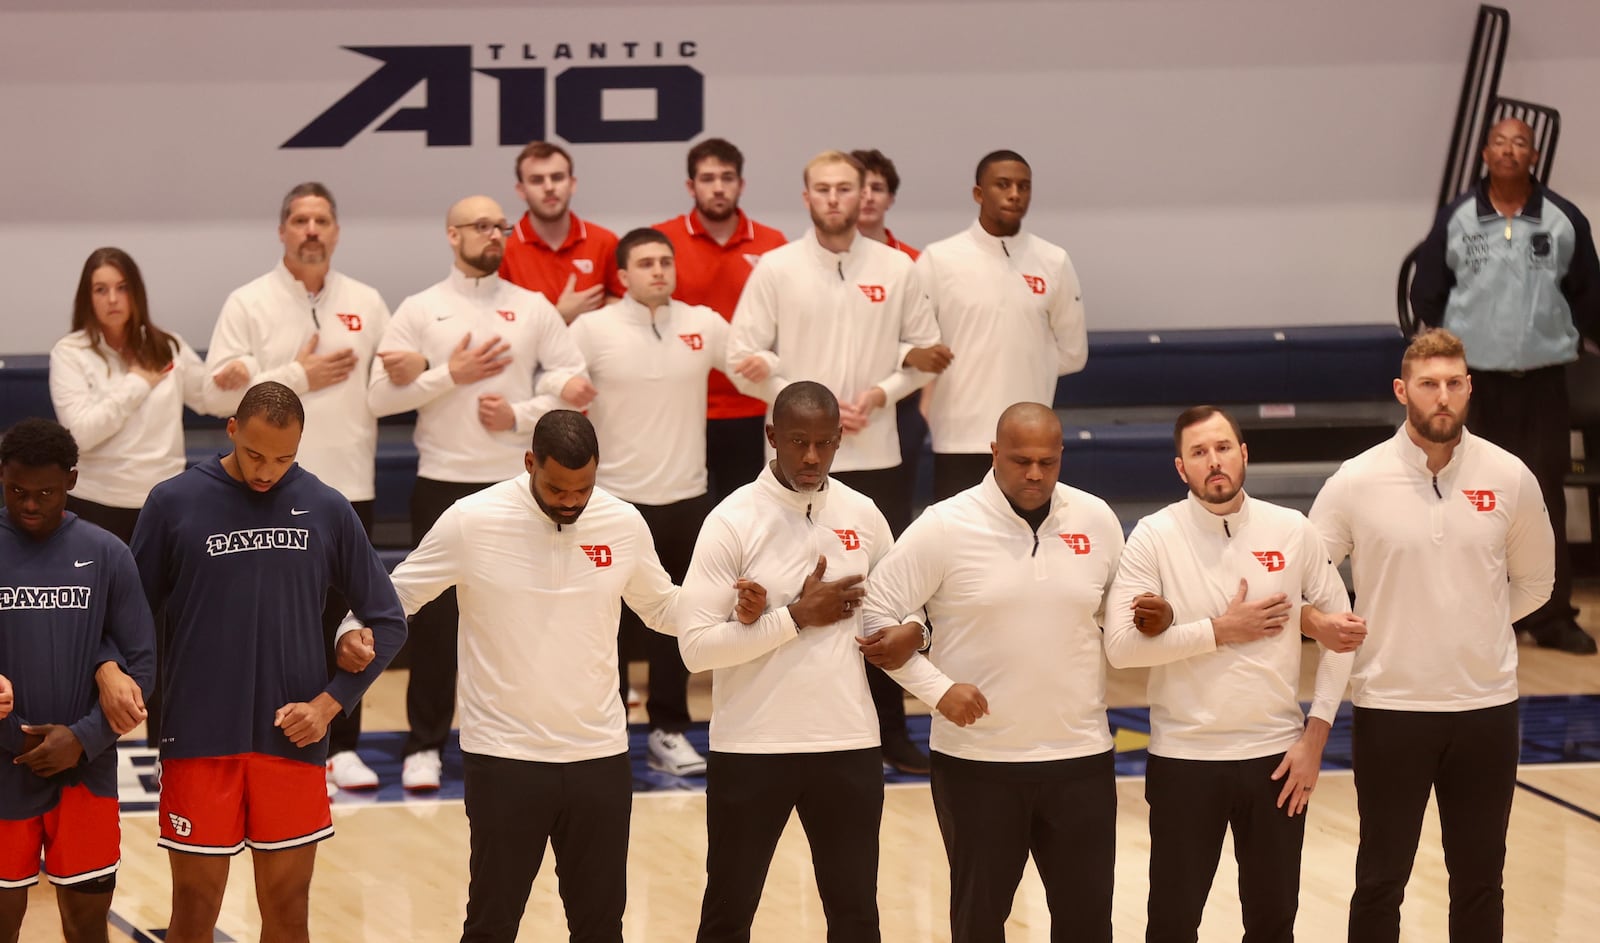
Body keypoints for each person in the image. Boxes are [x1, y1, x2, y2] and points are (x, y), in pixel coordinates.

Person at [337, 410, 766, 943]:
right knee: (492, 926)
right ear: (529, 463)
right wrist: (352, 626)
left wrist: (728, 607)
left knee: (600, 926)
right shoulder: (472, 519)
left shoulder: (622, 522)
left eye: (582, 488)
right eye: (557, 487)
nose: (570, 500)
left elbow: (661, 609)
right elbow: (399, 593)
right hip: (504, 758)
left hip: (600, 758)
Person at [129, 382, 407, 943]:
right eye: (256, 454)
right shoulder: (173, 502)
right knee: (194, 909)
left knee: (288, 911)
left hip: (292, 743)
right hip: (199, 741)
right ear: (231, 429)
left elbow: (389, 620)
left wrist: (332, 705)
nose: (266, 471)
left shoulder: (327, 507)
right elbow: (128, 614)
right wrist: (119, 678)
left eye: (284, 458)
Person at [1309, 329, 1554, 943]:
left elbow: (1536, 584)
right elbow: (1302, 579)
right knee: (1380, 880)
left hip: (1487, 709)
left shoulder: (1510, 475)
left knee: (1479, 882)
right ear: (1402, 391)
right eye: (1428, 384)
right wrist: (1318, 623)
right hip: (1391, 709)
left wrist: (1475, 625)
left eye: (1453, 383)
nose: (1442, 396)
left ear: (1469, 387)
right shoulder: (1355, 481)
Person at [860, 403, 1124, 942]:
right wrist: (937, 690)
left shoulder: (1097, 519)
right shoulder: (944, 525)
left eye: (1047, 462)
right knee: (979, 926)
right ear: (994, 453)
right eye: (1021, 460)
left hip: (1080, 759)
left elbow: (1118, 621)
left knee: (1089, 924)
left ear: (1061, 458)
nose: (1034, 474)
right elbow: (874, 614)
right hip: (978, 764)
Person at [725, 149, 952, 773]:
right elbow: (739, 355)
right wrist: (802, 402)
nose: (833, 198)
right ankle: (786, 720)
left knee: (880, 593)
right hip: (792, 462)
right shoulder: (775, 269)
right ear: (806, 197)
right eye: (821, 189)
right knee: (788, 585)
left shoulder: (897, 268)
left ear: (864, 195)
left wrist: (881, 396)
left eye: (844, 188)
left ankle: (888, 731)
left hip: (875, 451)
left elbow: (924, 354)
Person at [1103, 405, 1363, 943]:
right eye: (1199, 453)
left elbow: (1344, 633)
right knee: (1171, 928)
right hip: (1184, 760)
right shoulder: (1153, 536)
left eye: (1223, 448)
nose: (1213, 461)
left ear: (1244, 454)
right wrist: (1219, 630)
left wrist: (1316, 736)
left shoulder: (1292, 530)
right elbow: (1122, 649)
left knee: (1272, 928)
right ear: (1181, 469)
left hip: (1276, 760)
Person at [368, 195, 593, 792]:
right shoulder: (420, 311)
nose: (495, 234)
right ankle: (425, 745)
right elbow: (378, 399)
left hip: (518, 487)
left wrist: (519, 416)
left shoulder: (532, 307)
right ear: (452, 234)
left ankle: (518, 737)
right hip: (442, 481)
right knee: (436, 622)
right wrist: (451, 376)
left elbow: (573, 386)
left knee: (522, 618)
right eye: (481, 226)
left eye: (502, 226)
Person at [678, 381, 888, 943]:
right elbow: (694, 646)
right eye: (798, 442)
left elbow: (890, 617)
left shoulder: (864, 515)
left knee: (856, 917)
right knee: (727, 916)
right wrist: (794, 617)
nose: (812, 457)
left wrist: (915, 635)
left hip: (847, 744)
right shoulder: (731, 520)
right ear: (771, 436)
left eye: (824, 443)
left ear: (841, 440)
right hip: (752, 747)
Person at [201, 181, 394, 792]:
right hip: (270, 486)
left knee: (351, 622)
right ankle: (270, 733)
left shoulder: (367, 300)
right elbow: (217, 396)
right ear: (281, 230)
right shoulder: (247, 302)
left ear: (336, 232)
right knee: (282, 619)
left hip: (349, 481)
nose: (311, 230)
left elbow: (389, 387)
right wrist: (296, 375)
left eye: (322, 220)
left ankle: (345, 745)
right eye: (300, 220)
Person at [1410, 117, 1600, 654]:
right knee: (1474, 498)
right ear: (1486, 154)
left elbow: (1589, 294)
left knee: (1543, 500)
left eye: (1520, 142)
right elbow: (1428, 292)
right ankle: (1482, 615)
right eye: (1500, 142)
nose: (1510, 150)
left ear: (1534, 155)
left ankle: (1552, 616)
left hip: (1543, 384)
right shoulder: (1458, 218)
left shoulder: (1563, 219)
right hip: (1475, 387)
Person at [568, 228, 740, 777]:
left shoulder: (703, 324)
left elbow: (753, 370)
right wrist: (557, 391)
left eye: (665, 261)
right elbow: (552, 385)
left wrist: (778, 376)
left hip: (686, 497)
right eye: (646, 263)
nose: (659, 270)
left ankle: (668, 730)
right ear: (622, 275)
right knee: (604, 623)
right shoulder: (592, 329)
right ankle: (609, 729)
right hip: (612, 502)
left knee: (680, 619)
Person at [0, 419, 155, 943]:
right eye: (16, 490)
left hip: (84, 772)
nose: (29, 504)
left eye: (45, 492)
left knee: (88, 927)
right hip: (1, 771)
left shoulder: (108, 552)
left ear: (71, 479)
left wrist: (84, 738)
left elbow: (142, 665)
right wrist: (14, 738)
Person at [917, 150, 1087, 499]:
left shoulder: (1053, 260)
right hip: (958, 439)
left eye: (1023, 186)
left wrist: (1027, 364)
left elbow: (1074, 353)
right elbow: (917, 345)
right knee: (958, 547)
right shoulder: (939, 259)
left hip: (1029, 445)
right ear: (979, 193)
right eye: (1003, 185)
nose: (1014, 194)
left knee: (1027, 545)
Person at [49, 248, 223, 543]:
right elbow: (80, 434)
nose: (113, 299)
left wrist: (247, 374)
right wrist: (138, 382)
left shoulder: (167, 346)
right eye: (101, 290)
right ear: (88, 298)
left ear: (136, 292)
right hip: (95, 503)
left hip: (164, 502)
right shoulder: (70, 353)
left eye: (122, 288)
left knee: (161, 590)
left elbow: (212, 400)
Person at [653, 137, 788, 502]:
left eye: (727, 178)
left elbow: (788, 328)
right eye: (707, 178)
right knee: (686, 517)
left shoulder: (772, 244)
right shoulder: (662, 242)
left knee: (750, 515)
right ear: (690, 186)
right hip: (681, 407)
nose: (717, 187)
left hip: (753, 405)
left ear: (740, 184)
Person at [852, 148, 931, 518]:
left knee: (893, 509)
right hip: (842, 400)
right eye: (860, 187)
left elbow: (932, 342)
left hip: (901, 404)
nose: (868, 196)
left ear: (891, 198)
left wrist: (925, 405)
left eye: (878, 188)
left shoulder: (915, 262)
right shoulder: (822, 259)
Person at [498, 141, 623, 323]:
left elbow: (628, 307)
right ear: (521, 190)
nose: (549, 187)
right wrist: (559, 316)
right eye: (537, 180)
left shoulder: (605, 241)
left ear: (572, 184)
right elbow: (495, 322)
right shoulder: (502, 246)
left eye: (557, 177)